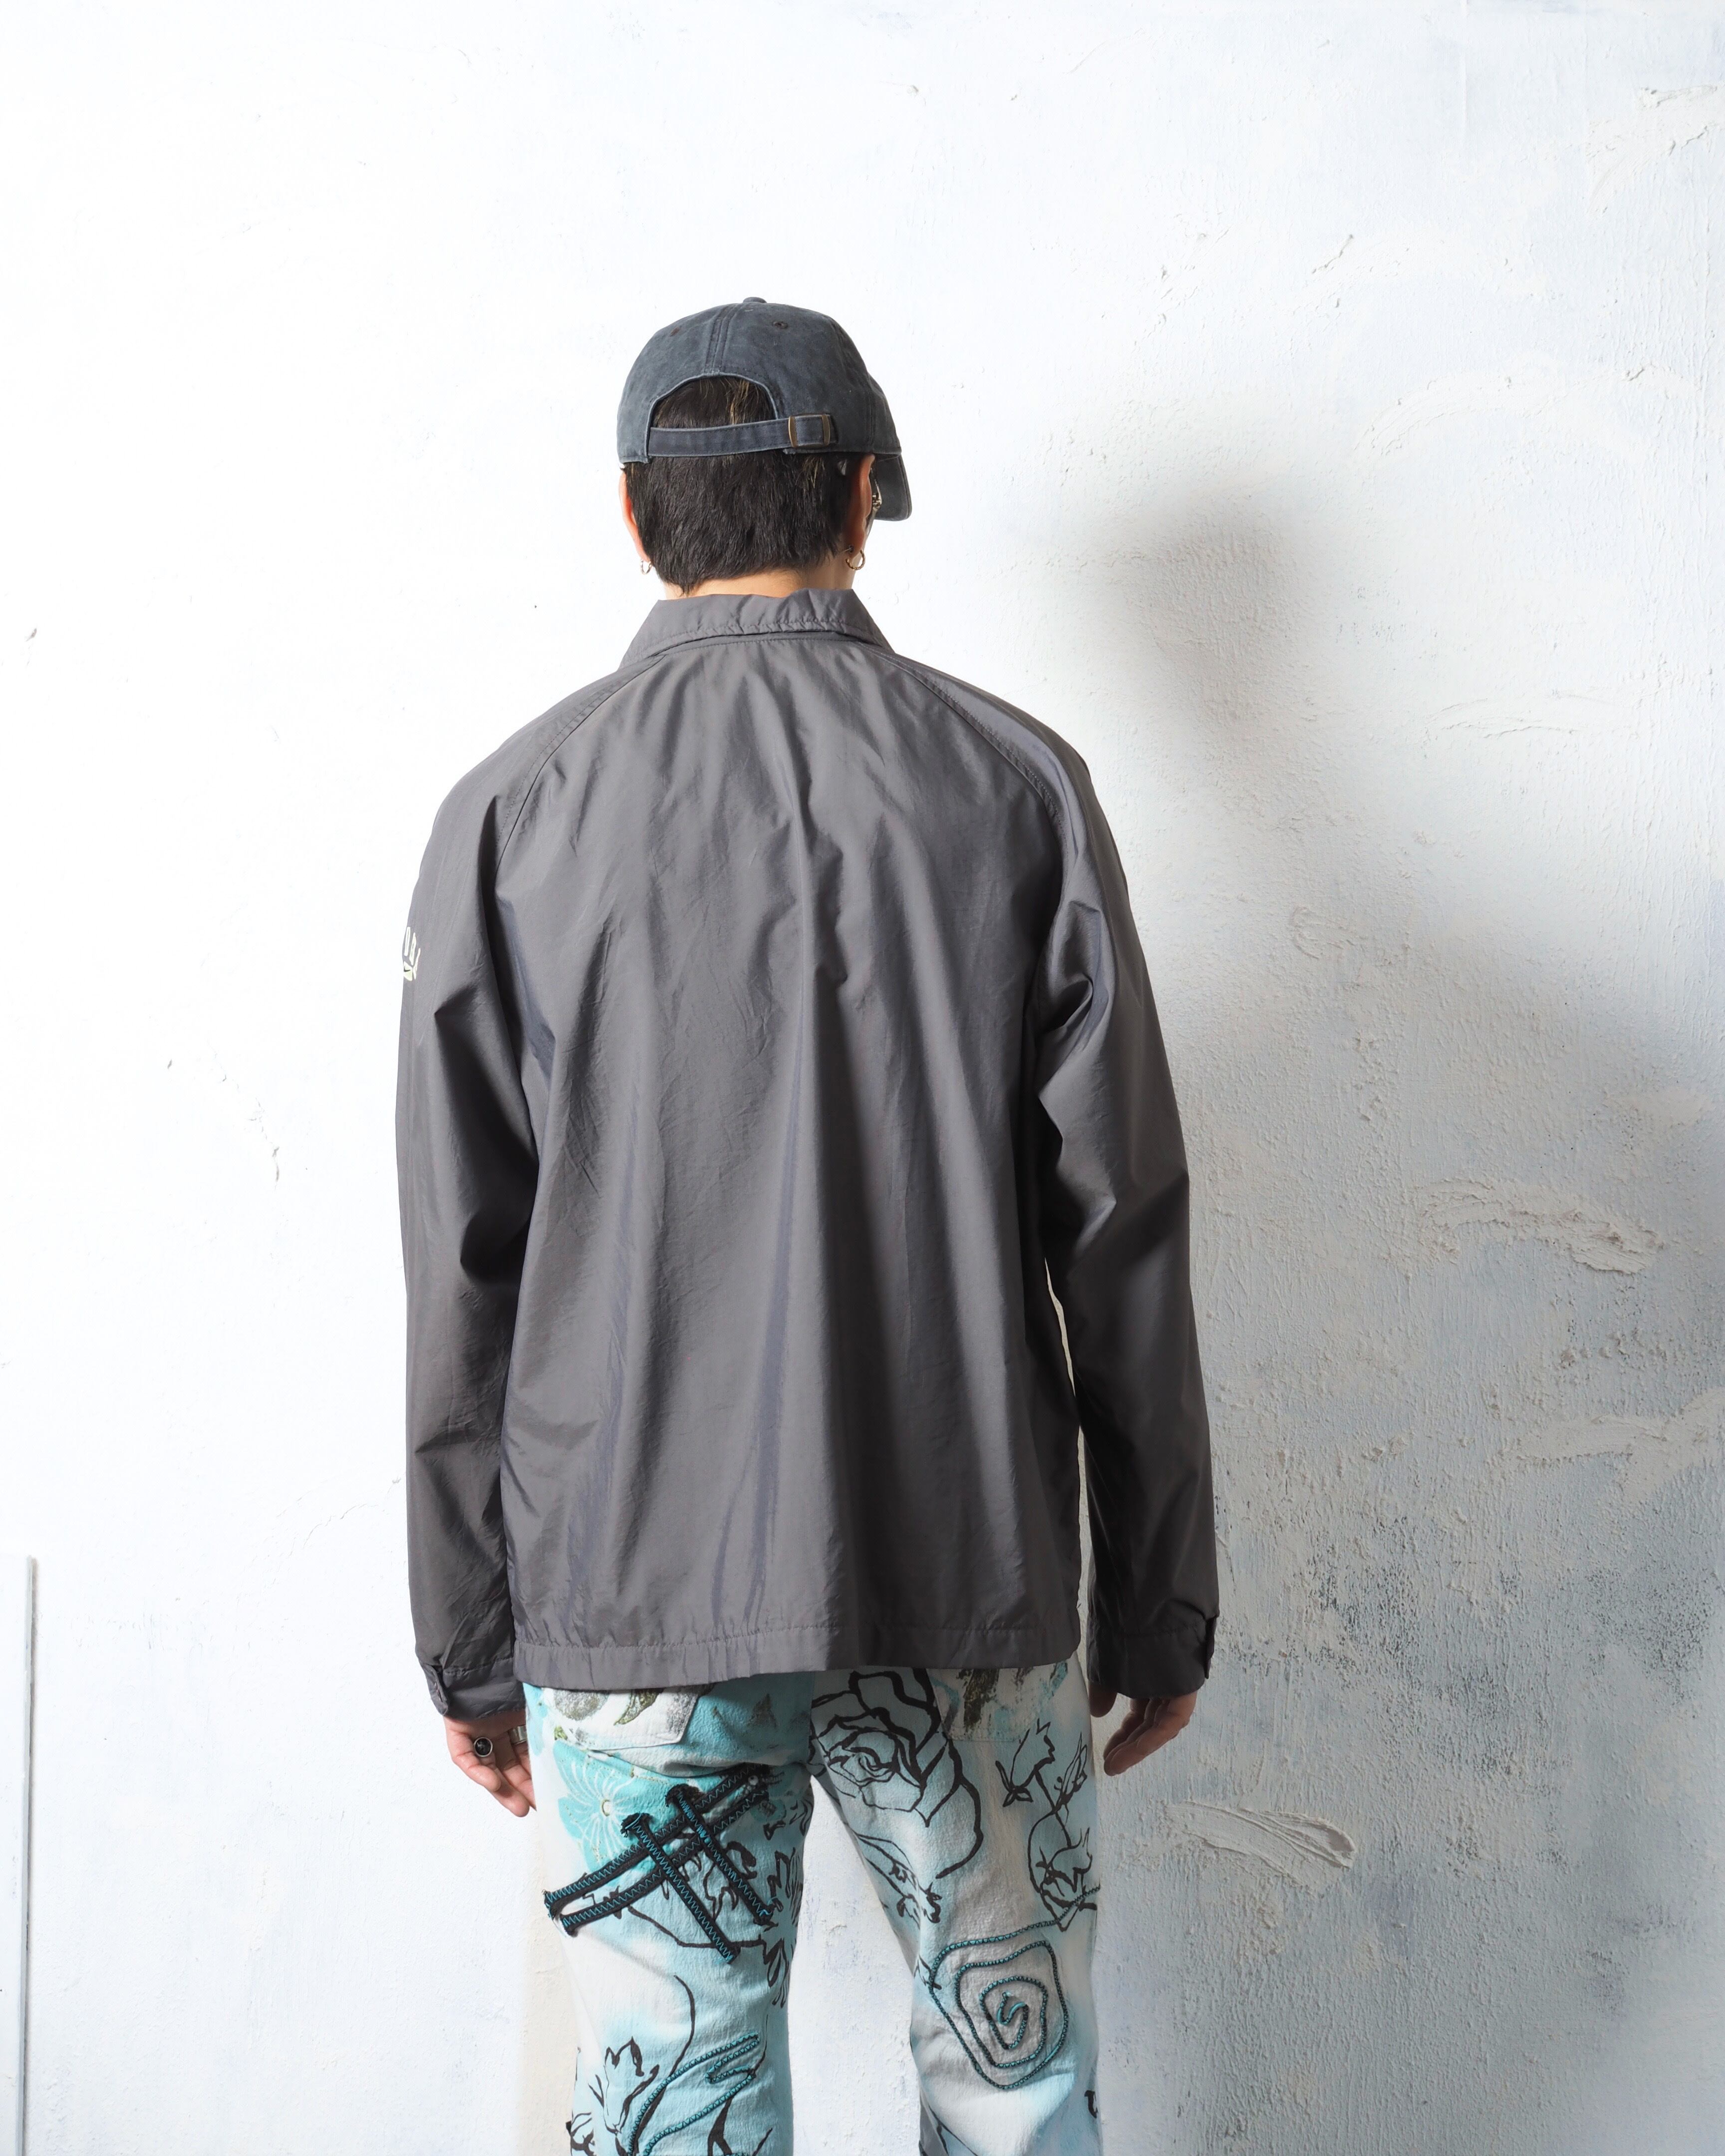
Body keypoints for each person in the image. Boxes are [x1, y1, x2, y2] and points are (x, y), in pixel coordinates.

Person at [396, 297, 1217, 2156]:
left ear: (633, 517)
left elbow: (463, 1266)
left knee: (672, 2113)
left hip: (627, 1591)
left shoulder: (512, 812)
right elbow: (1123, 1233)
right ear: (861, 497)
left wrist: (470, 1632)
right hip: (966, 1563)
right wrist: (1160, 1595)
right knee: (1017, 2090)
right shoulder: (1017, 783)